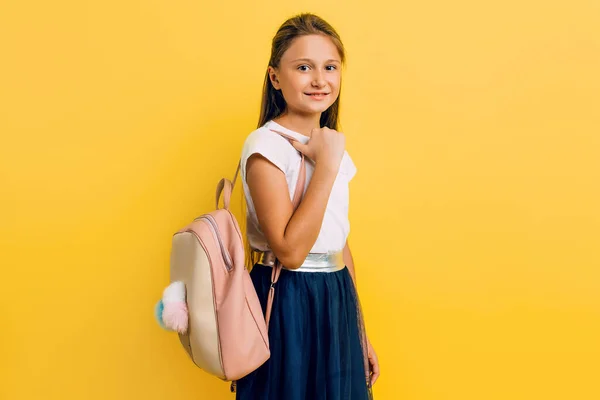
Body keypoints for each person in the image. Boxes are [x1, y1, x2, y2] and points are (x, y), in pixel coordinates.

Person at [236, 13, 380, 400]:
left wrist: (358, 330)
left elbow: (339, 245)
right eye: (304, 67)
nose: (320, 80)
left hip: (335, 296)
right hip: (287, 299)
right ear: (275, 77)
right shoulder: (265, 147)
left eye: (330, 67)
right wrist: (327, 165)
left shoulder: (329, 144)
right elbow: (291, 251)